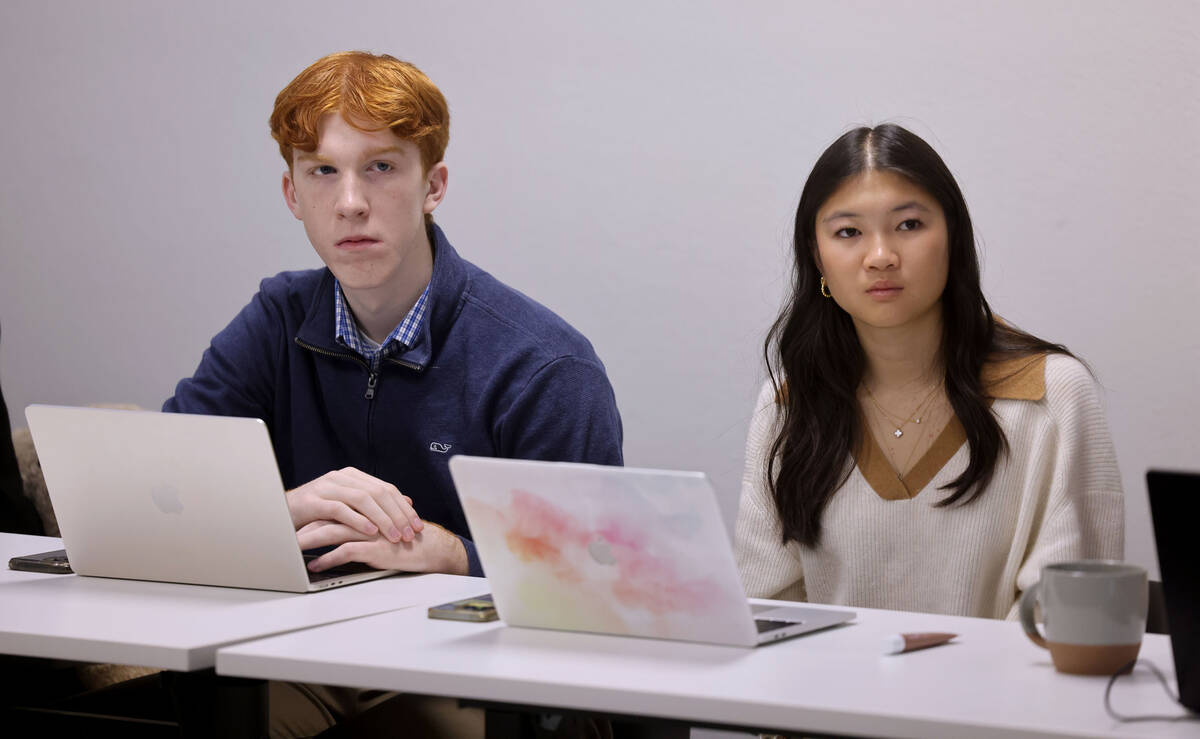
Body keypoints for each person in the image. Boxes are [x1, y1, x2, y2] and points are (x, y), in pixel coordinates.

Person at [164, 50, 623, 736]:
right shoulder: (277, 318)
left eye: (380, 167)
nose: (350, 202)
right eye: (323, 171)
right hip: (303, 647)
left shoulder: (542, 363)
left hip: (475, 665)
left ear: (432, 184)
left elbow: (600, 588)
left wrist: (452, 555)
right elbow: (161, 494)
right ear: (292, 194)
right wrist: (278, 509)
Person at [733, 124, 1123, 620]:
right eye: (848, 233)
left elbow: (1070, 620)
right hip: (827, 695)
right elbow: (765, 611)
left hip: (1003, 698)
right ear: (817, 258)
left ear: (953, 237)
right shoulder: (788, 404)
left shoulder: (1053, 395)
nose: (881, 257)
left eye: (909, 225)